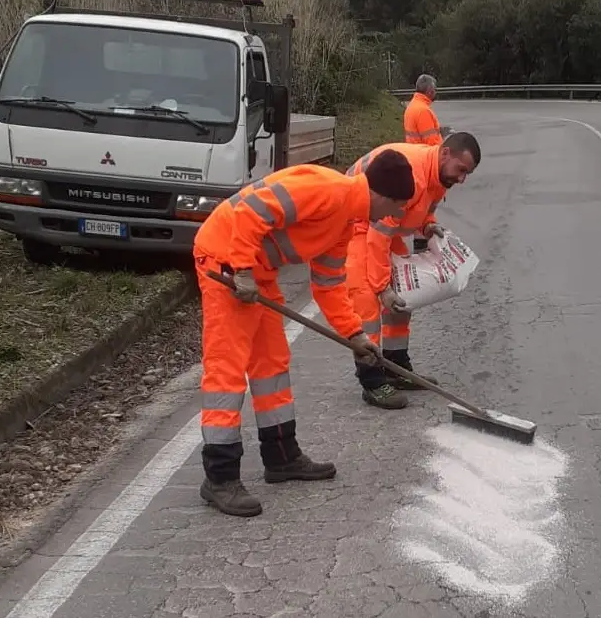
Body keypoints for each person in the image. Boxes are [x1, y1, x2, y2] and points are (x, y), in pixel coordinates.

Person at [191, 151, 416, 517]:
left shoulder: (346, 222)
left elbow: (328, 284)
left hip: (257, 274)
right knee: (227, 371)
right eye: (398, 205)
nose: (395, 215)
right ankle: (219, 477)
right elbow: (252, 210)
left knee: (272, 366)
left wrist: (354, 335)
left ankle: (281, 456)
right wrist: (243, 270)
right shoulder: (327, 190)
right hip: (225, 265)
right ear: (383, 195)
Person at [344, 132, 481, 409]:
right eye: (462, 170)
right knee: (368, 301)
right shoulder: (412, 177)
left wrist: (427, 225)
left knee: (403, 295)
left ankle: (397, 368)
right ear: (445, 154)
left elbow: (421, 209)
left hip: (382, 224)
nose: (463, 178)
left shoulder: (440, 176)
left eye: (469, 173)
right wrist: (382, 288)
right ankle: (371, 381)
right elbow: (377, 237)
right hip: (356, 220)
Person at [404, 74, 444, 146]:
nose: (435, 92)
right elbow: (432, 142)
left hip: (415, 152)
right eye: (435, 89)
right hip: (425, 155)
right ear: (429, 91)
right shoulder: (423, 111)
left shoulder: (412, 105)